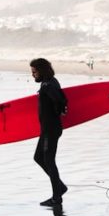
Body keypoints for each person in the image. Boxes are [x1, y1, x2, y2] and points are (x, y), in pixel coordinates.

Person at [30, 58, 68, 206]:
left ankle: (57, 197)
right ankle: (60, 187)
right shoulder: (52, 82)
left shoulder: (47, 85)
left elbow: (60, 99)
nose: (33, 75)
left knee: (49, 161)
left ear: (41, 71)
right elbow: (61, 97)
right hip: (48, 129)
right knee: (39, 157)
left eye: (34, 72)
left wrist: (61, 109)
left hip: (50, 130)